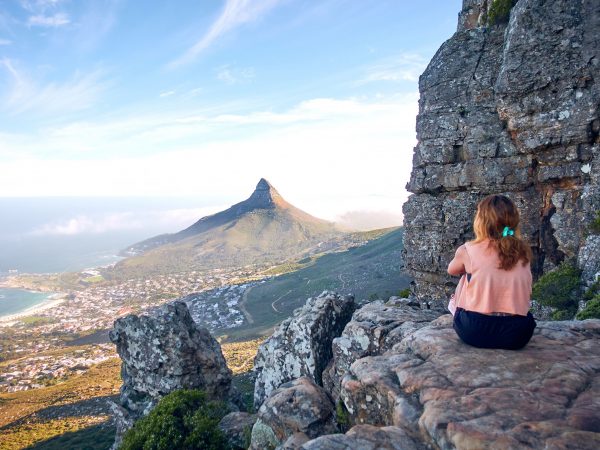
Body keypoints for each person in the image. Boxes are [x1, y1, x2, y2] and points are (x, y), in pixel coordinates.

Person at [447, 194, 536, 350]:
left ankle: (465, 307)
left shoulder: (467, 250)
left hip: (474, 330)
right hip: (518, 334)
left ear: (481, 221)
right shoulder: (524, 252)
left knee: (465, 277)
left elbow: (452, 270)